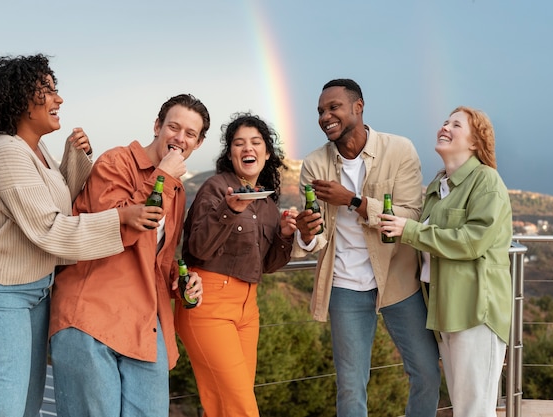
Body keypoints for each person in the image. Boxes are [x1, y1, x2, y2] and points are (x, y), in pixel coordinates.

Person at [0, 54, 153, 417]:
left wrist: (73, 158)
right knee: (3, 407)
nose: (59, 99)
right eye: (48, 91)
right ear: (23, 100)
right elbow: (49, 229)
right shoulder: (6, 151)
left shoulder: (36, 151)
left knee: (25, 406)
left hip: (32, 290)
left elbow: (53, 205)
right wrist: (120, 218)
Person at [49, 93, 210, 417]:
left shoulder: (176, 190)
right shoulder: (117, 162)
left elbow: (158, 260)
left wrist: (183, 283)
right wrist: (162, 176)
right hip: (90, 318)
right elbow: (113, 231)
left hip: (145, 324)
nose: (180, 138)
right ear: (157, 126)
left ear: (199, 142)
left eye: (190, 134)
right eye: (174, 127)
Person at [292, 79, 441, 417]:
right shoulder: (314, 164)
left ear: (358, 107)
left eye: (334, 107)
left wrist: (354, 201)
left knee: (427, 373)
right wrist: (304, 233)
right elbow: (316, 238)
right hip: (344, 287)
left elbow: (411, 215)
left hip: (399, 282)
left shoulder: (399, 150)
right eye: (320, 111)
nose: (325, 116)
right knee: (350, 386)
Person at [379, 106, 512, 417]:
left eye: (456, 125)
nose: (445, 127)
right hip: (445, 314)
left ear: (476, 142)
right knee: (464, 407)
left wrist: (410, 230)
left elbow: (472, 241)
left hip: (475, 312)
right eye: (444, 122)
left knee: (475, 410)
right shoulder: (438, 186)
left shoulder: (486, 181)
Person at [175, 112, 296, 417]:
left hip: (248, 310)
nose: (248, 148)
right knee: (241, 408)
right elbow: (197, 247)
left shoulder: (267, 203)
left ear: (267, 153)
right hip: (209, 304)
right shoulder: (217, 188)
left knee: (228, 405)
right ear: (230, 154)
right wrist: (228, 210)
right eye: (239, 143)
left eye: (256, 142)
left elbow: (265, 266)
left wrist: (284, 235)